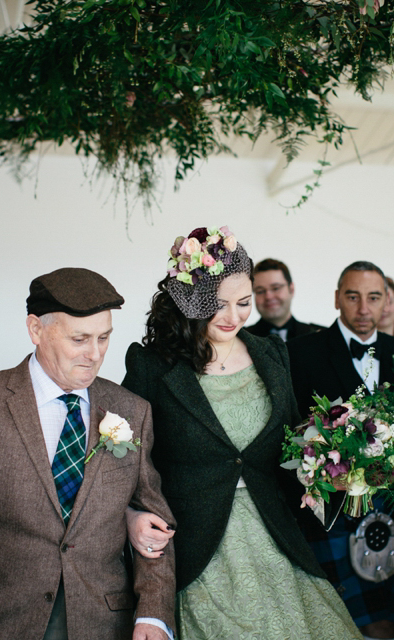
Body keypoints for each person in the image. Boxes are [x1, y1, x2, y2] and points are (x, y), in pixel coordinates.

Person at [0, 269, 176, 640]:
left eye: (104, 338)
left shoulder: (132, 410)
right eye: (79, 339)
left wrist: (153, 616)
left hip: (103, 624)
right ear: (36, 329)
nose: (94, 354)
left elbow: (154, 527)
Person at [122, 227, 361, 639]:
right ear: (190, 300)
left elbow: (290, 447)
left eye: (244, 303)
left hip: (276, 538)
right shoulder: (152, 365)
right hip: (197, 547)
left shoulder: (272, 354)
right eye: (219, 304)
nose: (234, 316)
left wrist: (333, 465)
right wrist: (129, 515)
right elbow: (124, 460)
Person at [287, 262, 394, 640]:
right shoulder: (301, 352)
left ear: (386, 301)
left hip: (389, 503)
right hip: (332, 506)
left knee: (389, 615)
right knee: (341, 618)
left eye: (374, 297)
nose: (363, 308)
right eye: (353, 296)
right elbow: (292, 427)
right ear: (336, 299)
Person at [246, 258, 323, 341]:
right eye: (260, 291)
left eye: (275, 288)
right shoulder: (240, 339)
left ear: (291, 289)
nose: (268, 296)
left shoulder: (319, 336)